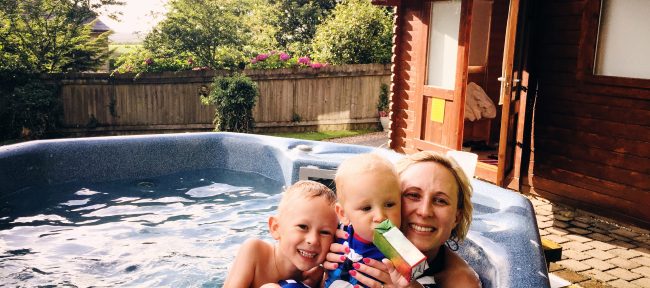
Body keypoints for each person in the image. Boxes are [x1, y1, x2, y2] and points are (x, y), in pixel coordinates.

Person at [325, 151, 481, 288]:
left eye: (440, 200)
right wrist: (318, 268)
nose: (425, 212)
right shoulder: (343, 234)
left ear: (457, 217)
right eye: (413, 195)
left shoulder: (462, 282)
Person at [224, 180, 339, 288]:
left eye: (325, 232)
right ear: (276, 228)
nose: (313, 240)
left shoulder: (318, 276)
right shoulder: (255, 252)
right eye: (303, 227)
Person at [325, 153, 402, 287]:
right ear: (343, 214)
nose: (380, 217)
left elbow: (422, 281)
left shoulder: (399, 247)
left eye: (389, 204)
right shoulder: (338, 234)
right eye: (366, 208)